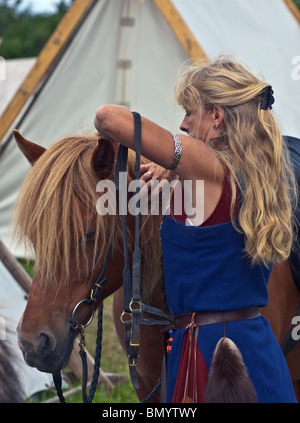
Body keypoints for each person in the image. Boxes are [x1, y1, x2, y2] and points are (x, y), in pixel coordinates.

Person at [94, 56, 297, 403]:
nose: (184, 124)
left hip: (213, 355)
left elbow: (107, 117)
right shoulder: (260, 169)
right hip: (255, 347)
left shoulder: (205, 163)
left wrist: (171, 157)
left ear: (216, 117)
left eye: (190, 111)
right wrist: (175, 170)